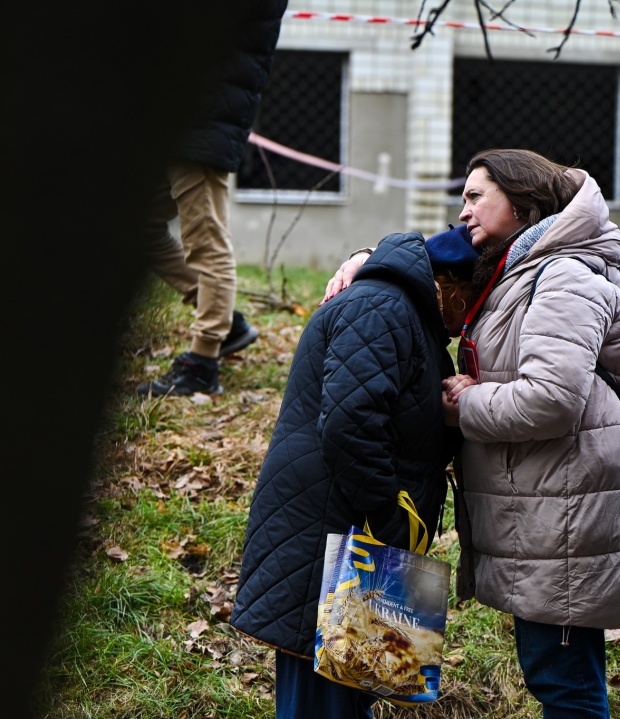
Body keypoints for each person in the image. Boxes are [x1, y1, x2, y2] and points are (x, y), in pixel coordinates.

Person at [329, 149, 620, 718]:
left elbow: (552, 400)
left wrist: (463, 403)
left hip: (568, 511)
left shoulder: (565, 276)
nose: (465, 212)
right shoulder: (520, 265)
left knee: (564, 682)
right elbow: (431, 254)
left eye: (477, 197)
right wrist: (366, 257)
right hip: (549, 503)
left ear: (522, 203)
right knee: (556, 673)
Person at [229, 227, 480, 719]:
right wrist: (391, 518)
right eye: (470, 298)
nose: (468, 316)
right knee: (321, 700)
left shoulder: (412, 320)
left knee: (350, 691)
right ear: (448, 282)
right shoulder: (381, 308)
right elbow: (350, 424)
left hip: (356, 539)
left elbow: (400, 427)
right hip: (337, 541)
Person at [137, 0, 289, 397]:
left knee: (205, 240)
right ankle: (225, 323)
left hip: (206, 116)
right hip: (184, 112)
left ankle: (203, 360)